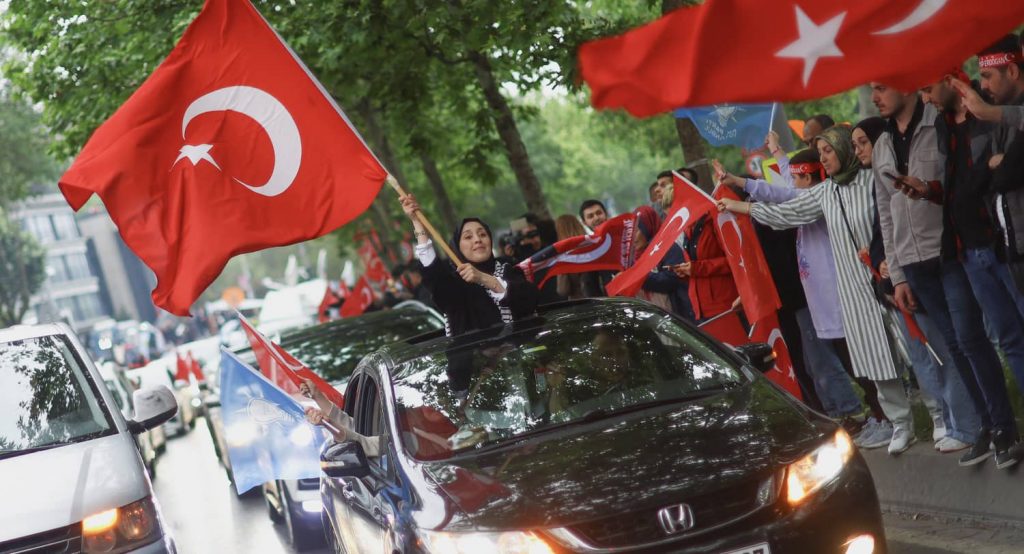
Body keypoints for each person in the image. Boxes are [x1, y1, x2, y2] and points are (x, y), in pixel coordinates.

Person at [717, 125, 919, 455]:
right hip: (836, 300)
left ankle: (909, 417)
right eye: (821, 152)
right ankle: (894, 420)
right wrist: (742, 186)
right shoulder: (825, 192)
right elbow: (785, 196)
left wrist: (743, 191)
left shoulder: (854, 186)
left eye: (829, 151)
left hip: (861, 290)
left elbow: (786, 198)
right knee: (863, 362)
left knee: (890, 357)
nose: (824, 158)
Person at [872, 81, 1016, 466]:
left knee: (972, 338)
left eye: (881, 87)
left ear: (904, 87)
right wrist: (897, 275)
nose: (875, 97)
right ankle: (987, 425)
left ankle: (1003, 425)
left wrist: (928, 190)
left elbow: (956, 185)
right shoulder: (883, 143)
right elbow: (885, 214)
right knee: (954, 344)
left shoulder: (935, 122)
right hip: (912, 262)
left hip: (949, 250)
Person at [720, 137, 871, 437]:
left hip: (831, 297)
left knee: (842, 360)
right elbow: (785, 189)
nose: (791, 183)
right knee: (827, 361)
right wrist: (750, 171)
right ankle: (858, 415)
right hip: (815, 298)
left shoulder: (818, 198)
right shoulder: (807, 193)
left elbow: (782, 207)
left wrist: (740, 203)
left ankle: (861, 414)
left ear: (810, 178)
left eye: (798, 177)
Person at [400, 194, 539, 336]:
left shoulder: (509, 267)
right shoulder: (453, 283)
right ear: (457, 248)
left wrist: (484, 279)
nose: (478, 240)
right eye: (468, 237)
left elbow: (529, 300)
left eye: (482, 234)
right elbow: (433, 272)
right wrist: (417, 222)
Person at [633, 205, 694, 320]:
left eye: (637, 230)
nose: (633, 237)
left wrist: (638, 277)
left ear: (647, 227)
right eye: (631, 232)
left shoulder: (667, 247)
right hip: (657, 320)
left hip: (681, 317)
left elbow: (672, 279)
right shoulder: (636, 257)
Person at [301, 379, 380, 457]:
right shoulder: (377, 424)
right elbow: (353, 427)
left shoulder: (385, 440)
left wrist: (329, 422)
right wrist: (317, 395)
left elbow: (368, 445)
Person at [553, 214, 606, 299]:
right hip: (602, 299)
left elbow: (563, 290)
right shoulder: (593, 246)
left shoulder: (565, 257)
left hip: (581, 303)